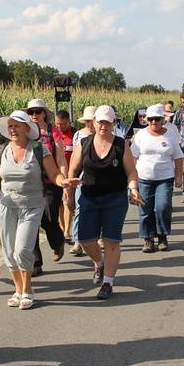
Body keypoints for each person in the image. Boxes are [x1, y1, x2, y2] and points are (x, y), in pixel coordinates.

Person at [0, 111, 78, 310]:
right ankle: (17, 290)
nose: (13, 130)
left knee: (22, 249)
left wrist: (64, 182)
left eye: (17, 126)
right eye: (10, 126)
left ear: (28, 128)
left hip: (32, 206)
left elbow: (54, 173)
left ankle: (27, 290)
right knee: (9, 252)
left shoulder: (38, 149)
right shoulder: (1, 151)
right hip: (7, 206)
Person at [67, 105, 143, 300]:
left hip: (115, 198)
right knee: (84, 240)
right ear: (93, 122)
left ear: (113, 123)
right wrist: (69, 193)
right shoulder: (83, 144)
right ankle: (99, 264)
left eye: (108, 122)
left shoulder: (120, 145)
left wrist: (133, 188)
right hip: (89, 198)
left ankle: (108, 282)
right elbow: (73, 170)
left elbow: (131, 171)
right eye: (100, 121)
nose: (103, 125)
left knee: (111, 241)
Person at [130, 105, 183, 253]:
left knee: (162, 207)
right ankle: (148, 239)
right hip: (144, 178)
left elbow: (178, 156)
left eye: (157, 119)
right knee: (145, 209)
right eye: (151, 119)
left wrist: (179, 176)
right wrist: (131, 180)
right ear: (147, 120)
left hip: (165, 178)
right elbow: (132, 157)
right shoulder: (141, 135)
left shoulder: (170, 135)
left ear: (162, 120)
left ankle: (162, 236)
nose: (154, 122)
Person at [24, 98, 68, 273]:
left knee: (49, 220)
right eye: (31, 112)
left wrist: (63, 180)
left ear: (44, 114)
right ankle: (36, 263)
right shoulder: (25, 131)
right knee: (30, 223)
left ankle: (58, 242)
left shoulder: (53, 132)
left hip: (51, 182)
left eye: (37, 111)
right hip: (31, 183)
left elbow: (60, 159)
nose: (34, 115)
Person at [69, 105, 97, 256]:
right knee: (80, 207)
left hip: (101, 177)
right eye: (87, 121)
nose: (89, 124)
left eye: (92, 121)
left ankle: (98, 235)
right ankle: (77, 241)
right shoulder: (79, 135)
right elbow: (75, 158)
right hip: (83, 176)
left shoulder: (108, 135)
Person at [54, 110, 76, 243]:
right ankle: (62, 230)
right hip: (56, 175)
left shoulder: (74, 134)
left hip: (70, 174)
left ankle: (67, 231)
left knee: (67, 202)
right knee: (59, 205)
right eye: (57, 124)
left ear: (69, 122)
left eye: (62, 124)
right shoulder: (53, 135)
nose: (59, 127)